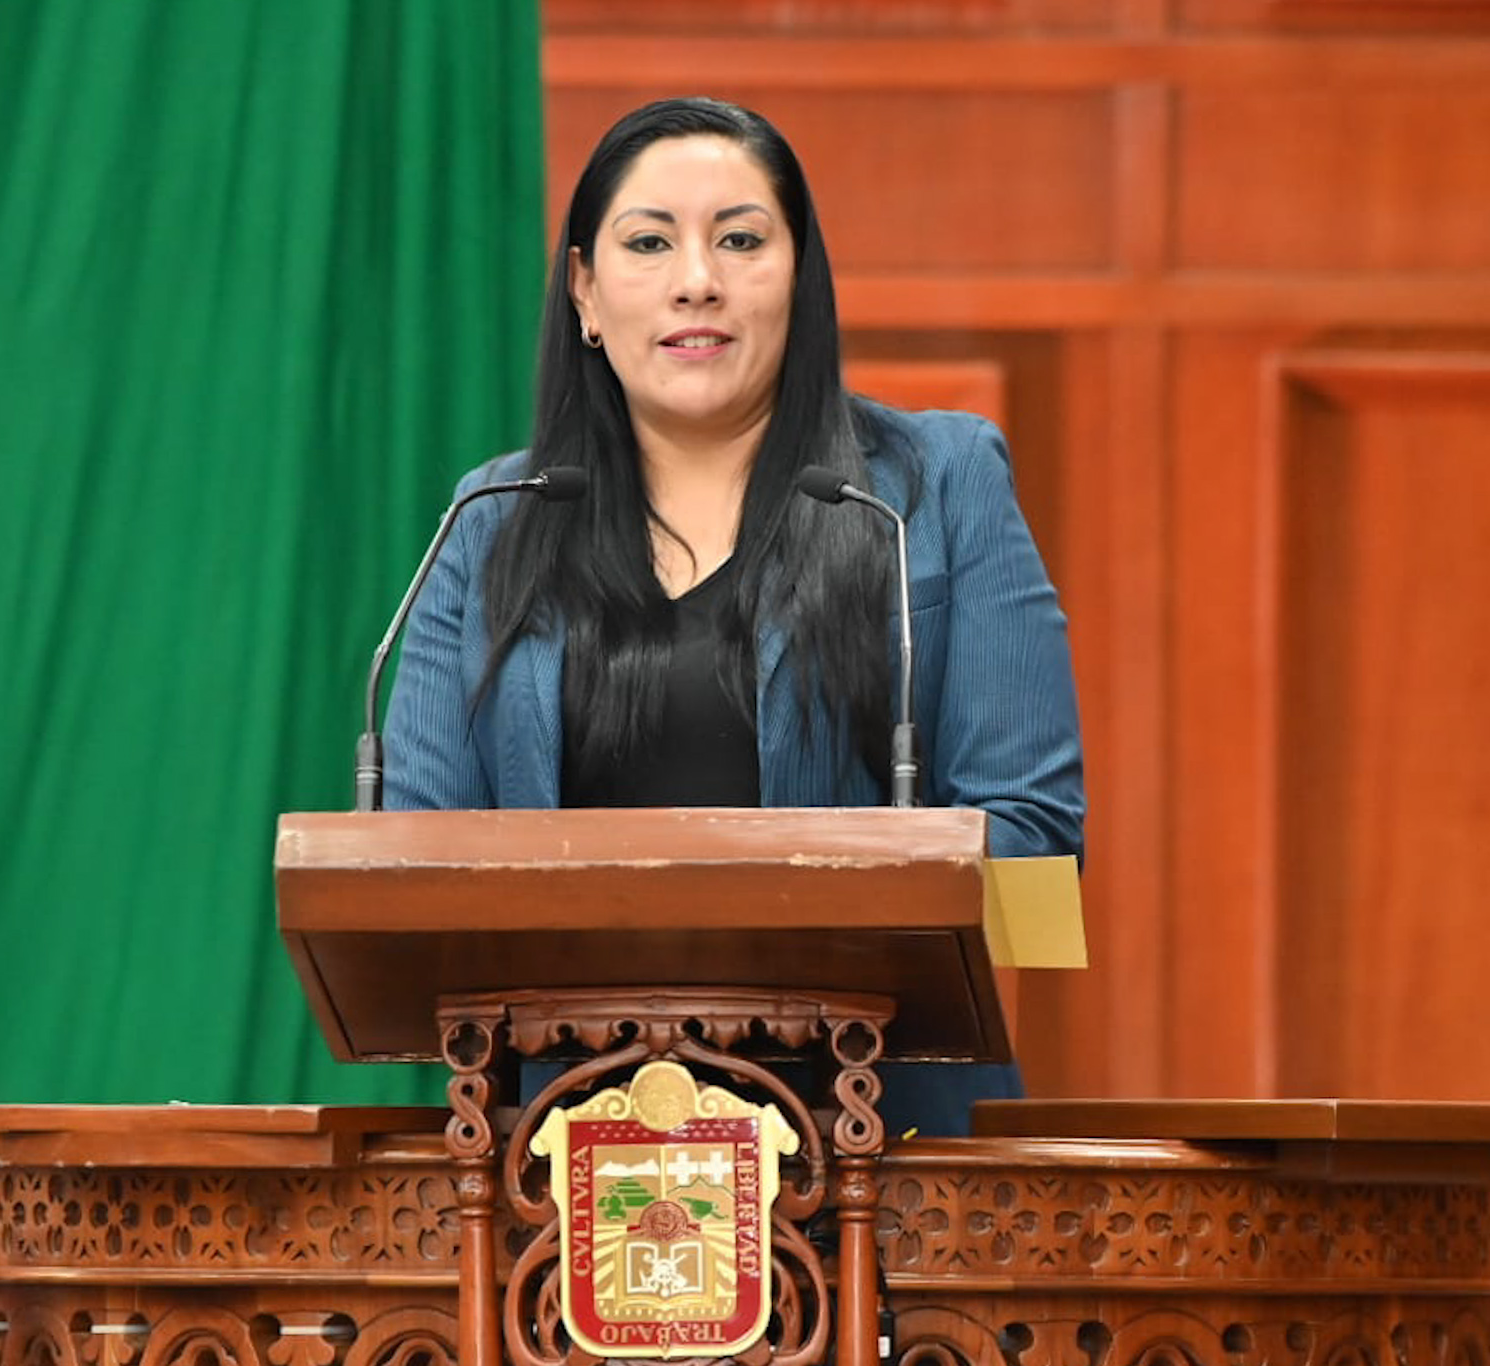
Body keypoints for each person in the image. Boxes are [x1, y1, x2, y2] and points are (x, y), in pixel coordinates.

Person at [383, 96, 1083, 1134]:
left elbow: (1036, 853)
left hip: (885, 1152)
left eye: (741, 240)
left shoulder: (938, 486)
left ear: (801, 278)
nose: (696, 279)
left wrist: (740, 913)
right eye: (648, 242)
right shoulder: (493, 518)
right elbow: (406, 879)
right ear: (583, 291)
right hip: (564, 1164)